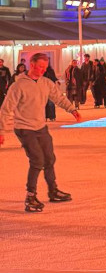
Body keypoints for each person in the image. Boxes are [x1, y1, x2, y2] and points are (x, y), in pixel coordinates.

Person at [0, 52, 82, 212]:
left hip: (40, 127)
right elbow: (6, 109)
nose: (43, 70)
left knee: (49, 158)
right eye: (40, 67)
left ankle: (53, 190)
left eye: (45, 67)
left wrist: (72, 110)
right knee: (37, 160)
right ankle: (30, 197)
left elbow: (58, 97)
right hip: (24, 128)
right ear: (32, 65)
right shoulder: (18, 85)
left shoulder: (46, 83)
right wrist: (1, 130)